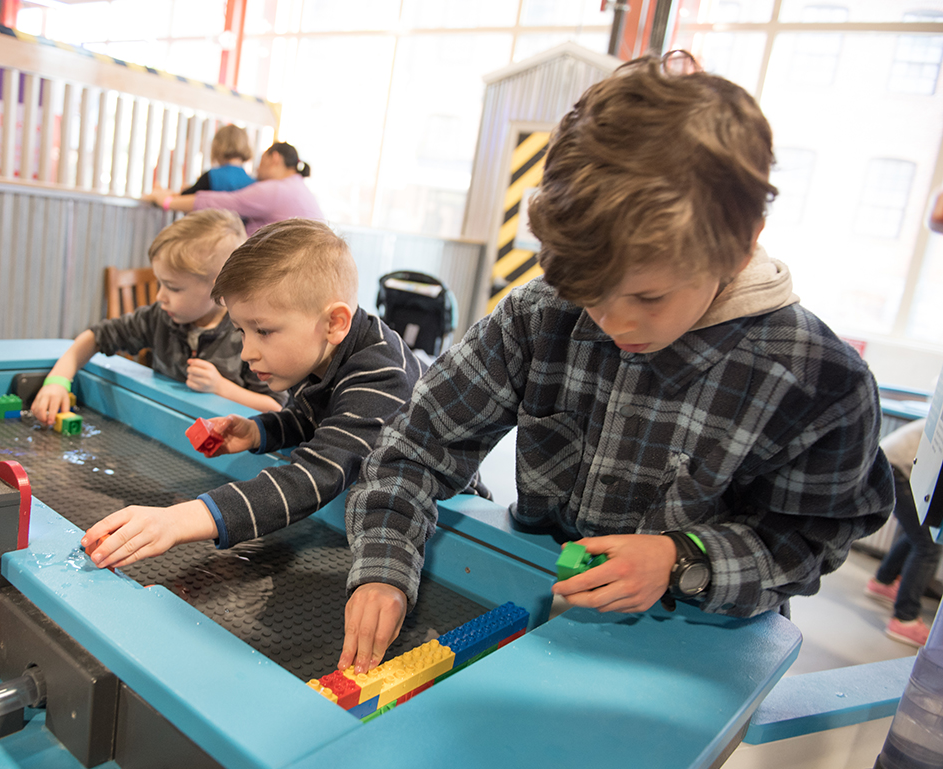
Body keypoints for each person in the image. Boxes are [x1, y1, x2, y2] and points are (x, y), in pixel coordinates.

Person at [339, 53, 895, 674]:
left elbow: (810, 540)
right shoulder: (540, 315)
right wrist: (383, 568)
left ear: (741, 244)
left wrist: (682, 557)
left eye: (649, 297)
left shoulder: (819, 380)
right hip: (540, 613)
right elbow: (415, 449)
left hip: (691, 645)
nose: (613, 322)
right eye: (588, 293)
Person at [80, 218, 422, 567]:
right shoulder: (320, 350)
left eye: (263, 331)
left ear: (334, 323)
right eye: (242, 331)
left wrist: (178, 520)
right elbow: (319, 419)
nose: (247, 353)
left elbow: (317, 474)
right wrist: (260, 430)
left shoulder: (382, 375)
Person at [31, 209, 282, 425]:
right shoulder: (160, 318)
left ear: (218, 289)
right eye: (159, 283)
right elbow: (96, 336)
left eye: (173, 288)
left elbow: (275, 408)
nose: (160, 296)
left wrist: (221, 388)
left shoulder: (248, 335)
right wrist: (58, 380)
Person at [865, 418, 939, 648]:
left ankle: (883, 581)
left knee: (916, 534)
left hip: (894, 462)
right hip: (898, 468)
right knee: (928, 547)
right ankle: (905, 618)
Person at [144, 142, 323, 236]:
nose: (257, 169)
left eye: (260, 161)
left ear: (274, 158)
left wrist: (166, 201)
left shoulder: (276, 190)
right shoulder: (301, 190)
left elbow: (222, 202)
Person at [179, 124, 256, 195]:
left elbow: (186, 197)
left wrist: (186, 190)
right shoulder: (253, 183)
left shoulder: (211, 176)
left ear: (217, 146)